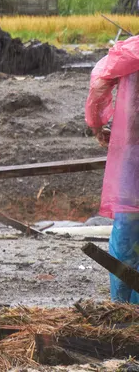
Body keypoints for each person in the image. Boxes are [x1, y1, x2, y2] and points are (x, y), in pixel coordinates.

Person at [84, 35, 139, 303]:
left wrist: (97, 123)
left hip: (133, 153)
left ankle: (124, 311)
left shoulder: (131, 50)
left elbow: (99, 82)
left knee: (128, 230)